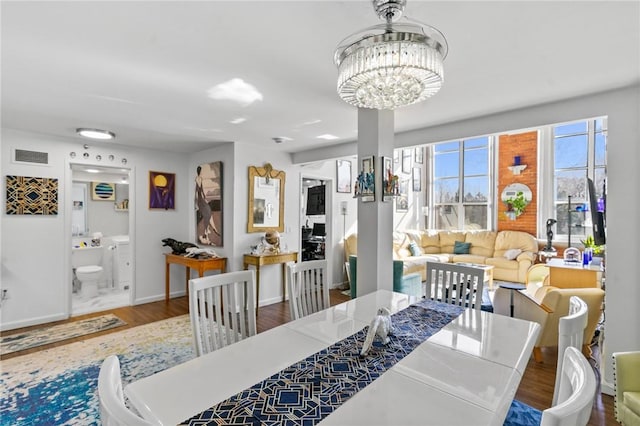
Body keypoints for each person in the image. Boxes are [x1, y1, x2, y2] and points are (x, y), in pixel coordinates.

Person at [195, 165, 221, 245]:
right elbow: (198, 190)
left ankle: (209, 231)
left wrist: (205, 198)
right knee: (207, 212)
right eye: (201, 171)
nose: (202, 172)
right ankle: (209, 231)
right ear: (199, 171)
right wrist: (197, 202)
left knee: (208, 212)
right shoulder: (198, 178)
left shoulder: (199, 178)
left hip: (202, 198)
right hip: (199, 198)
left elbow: (201, 189)